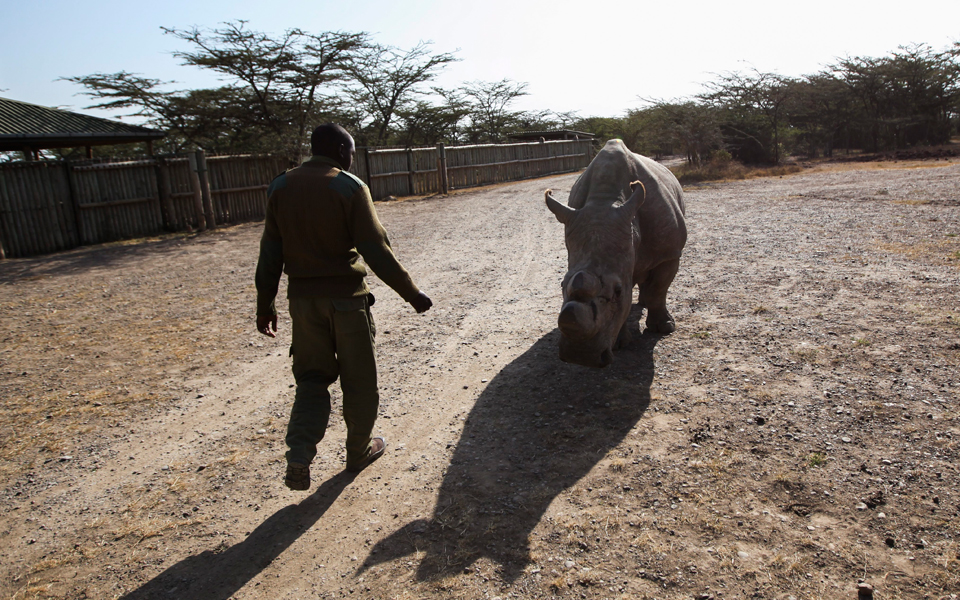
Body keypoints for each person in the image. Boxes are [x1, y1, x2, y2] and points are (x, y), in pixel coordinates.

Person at [255, 123, 432, 490]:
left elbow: (270, 252)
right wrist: (412, 294)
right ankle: (358, 450)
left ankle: (300, 453)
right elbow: (376, 250)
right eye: (350, 151)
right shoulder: (349, 186)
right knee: (360, 381)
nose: (352, 158)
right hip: (347, 303)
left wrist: (265, 304)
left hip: (302, 305)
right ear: (338, 149)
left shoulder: (280, 186)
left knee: (312, 380)